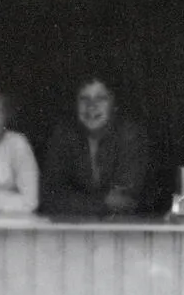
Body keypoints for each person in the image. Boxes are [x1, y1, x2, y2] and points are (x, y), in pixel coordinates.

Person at [41, 73, 150, 217]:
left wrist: (79, 202)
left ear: (114, 104)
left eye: (101, 98)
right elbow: (50, 197)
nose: (91, 106)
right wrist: (103, 202)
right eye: (84, 99)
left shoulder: (130, 135)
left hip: (127, 230)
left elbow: (125, 201)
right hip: (74, 228)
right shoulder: (64, 134)